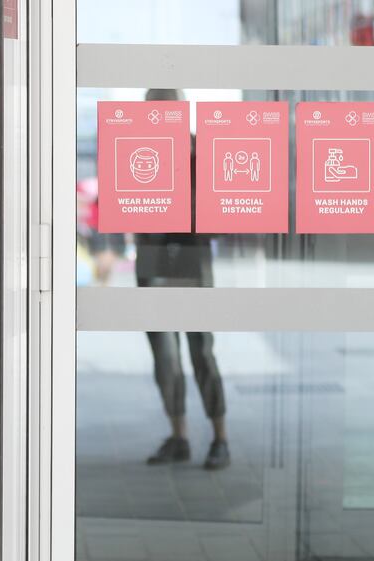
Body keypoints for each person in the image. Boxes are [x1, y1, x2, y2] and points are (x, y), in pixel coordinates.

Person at [138, 88, 229, 471]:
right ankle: (180, 436)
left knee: (200, 350)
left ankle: (220, 438)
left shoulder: (197, 151)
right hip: (153, 256)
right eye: (154, 111)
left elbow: (219, 206)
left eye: (167, 110)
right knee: (165, 354)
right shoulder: (137, 152)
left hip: (191, 257)